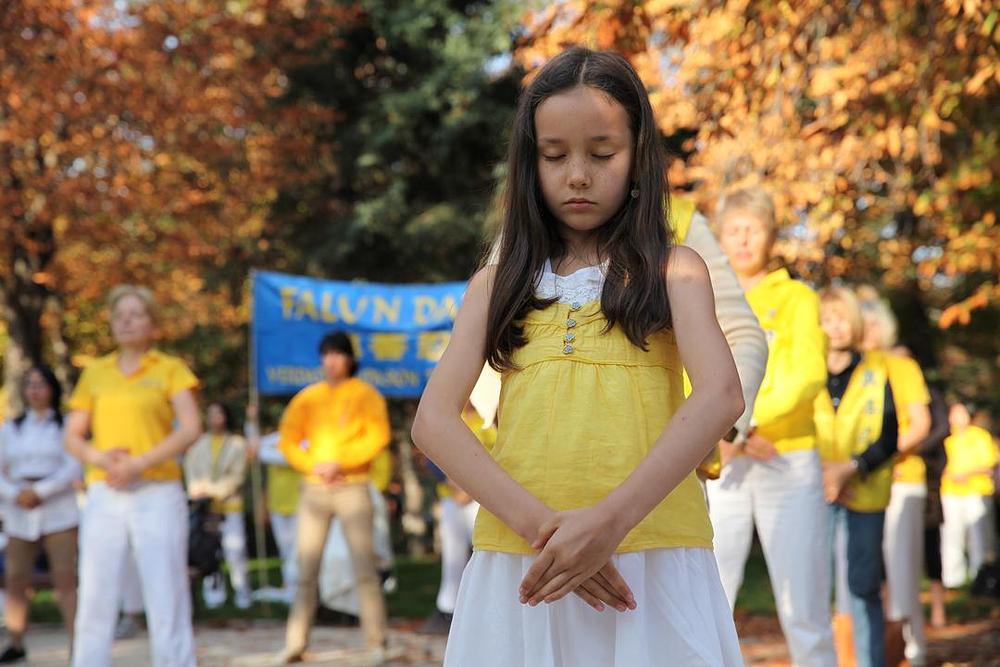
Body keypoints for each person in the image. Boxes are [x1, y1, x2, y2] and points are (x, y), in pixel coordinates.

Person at [412, 47, 745, 666]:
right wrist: (553, 536)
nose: (578, 175)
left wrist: (609, 523)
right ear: (529, 161)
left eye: (602, 153)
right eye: (555, 155)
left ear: (638, 155)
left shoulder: (676, 271)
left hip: (650, 557)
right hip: (525, 563)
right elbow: (433, 421)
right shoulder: (495, 284)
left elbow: (722, 395)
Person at [710, 186, 836, 666]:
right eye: (733, 230)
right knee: (710, 590)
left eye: (754, 229)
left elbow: (809, 374)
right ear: (719, 237)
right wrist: (729, 437)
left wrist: (743, 427)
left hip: (787, 456)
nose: (743, 239)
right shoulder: (705, 295)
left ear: (772, 236)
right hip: (720, 459)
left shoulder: (797, 297)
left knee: (802, 597)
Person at [65, 285, 202, 667]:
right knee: (95, 593)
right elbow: (73, 436)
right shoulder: (95, 373)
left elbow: (191, 427)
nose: (125, 322)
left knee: (166, 591)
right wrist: (101, 458)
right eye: (119, 315)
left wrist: (138, 464)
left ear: (152, 323)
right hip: (105, 493)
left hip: (157, 491)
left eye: (135, 314)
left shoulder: (170, 369)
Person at [278, 331, 391, 663]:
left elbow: (378, 436)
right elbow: (287, 439)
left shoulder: (366, 394)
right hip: (314, 488)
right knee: (306, 569)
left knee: (364, 568)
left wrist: (341, 462)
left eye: (337, 353)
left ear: (350, 358)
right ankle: (295, 642)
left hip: (353, 485)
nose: (331, 360)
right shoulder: (308, 397)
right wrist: (313, 465)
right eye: (326, 354)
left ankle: (376, 642)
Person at [816, 287, 898, 667]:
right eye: (827, 319)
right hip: (815, 493)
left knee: (862, 586)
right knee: (814, 587)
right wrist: (824, 476)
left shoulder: (876, 372)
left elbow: (889, 435)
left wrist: (850, 468)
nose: (836, 327)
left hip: (864, 495)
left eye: (843, 319)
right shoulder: (807, 372)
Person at [857, 293, 932, 665]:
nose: (867, 331)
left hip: (902, 478)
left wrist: (882, 457)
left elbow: (920, 423)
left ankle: (913, 647)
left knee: (902, 568)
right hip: (858, 482)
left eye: (873, 324)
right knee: (863, 571)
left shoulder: (902, 367)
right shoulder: (851, 367)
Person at [0, 366, 81, 663]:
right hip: (18, 508)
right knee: (16, 578)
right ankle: (16, 641)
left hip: (57, 508)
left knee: (65, 578)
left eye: (41, 384)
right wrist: (15, 494)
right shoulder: (11, 428)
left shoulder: (65, 425)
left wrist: (41, 491)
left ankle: (77, 643)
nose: (35, 390)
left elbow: (73, 466)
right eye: (30, 384)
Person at [420, 402, 497, 635]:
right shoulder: (449, 414)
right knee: (452, 558)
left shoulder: (488, 418)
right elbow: (430, 454)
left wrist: (469, 486)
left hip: (483, 498)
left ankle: (487, 612)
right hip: (452, 497)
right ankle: (447, 610)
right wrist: (452, 482)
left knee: (486, 555)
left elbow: (499, 455)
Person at [184, 401, 251, 609]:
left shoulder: (237, 444)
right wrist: (197, 491)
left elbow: (237, 475)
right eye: (211, 414)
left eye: (219, 414)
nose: (215, 419)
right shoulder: (198, 445)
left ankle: (242, 591)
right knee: (207, 552)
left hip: (229, 505)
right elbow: (191, 471)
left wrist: (214, 492)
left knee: (235, 550)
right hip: (204, 509)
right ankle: (214, 593)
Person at [940, 402, 998, 588]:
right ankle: (952, 579)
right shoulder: (945, 438)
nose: (957, 417)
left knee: (979, 536)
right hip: (950, 492)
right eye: (954, 413)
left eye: (961, 413)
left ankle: (979, 577)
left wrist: (967, 474)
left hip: (976, 492)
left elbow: (989, 464)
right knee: (951, 534)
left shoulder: (980, 436)